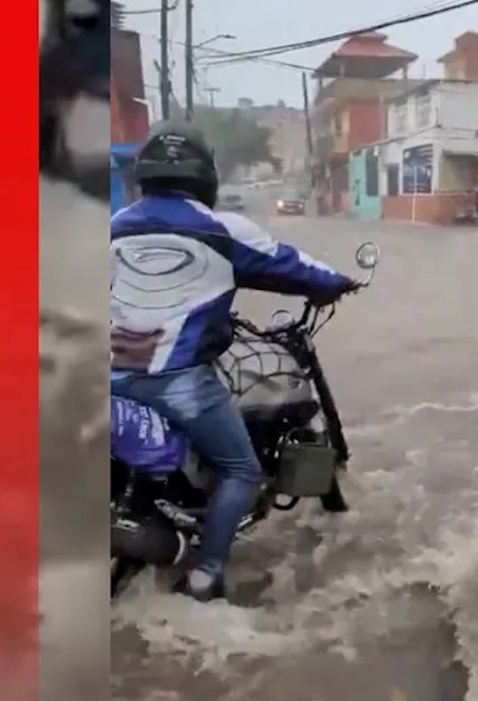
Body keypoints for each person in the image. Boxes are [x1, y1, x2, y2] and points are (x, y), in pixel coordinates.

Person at [109, 120, 361, 602]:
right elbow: (298, 268)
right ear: (205, 179)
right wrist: (340, 283)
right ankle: (207, 576)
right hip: (177, 382)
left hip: (110, 376)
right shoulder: (222, 228)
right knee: (240, 469)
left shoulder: (114, 227)